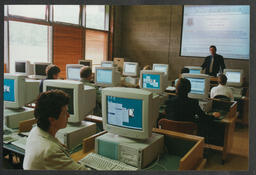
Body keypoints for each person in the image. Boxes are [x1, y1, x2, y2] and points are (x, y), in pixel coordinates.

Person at [23, 90, 87, 170]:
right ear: (52, 119)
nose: (68, 115)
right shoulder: (50, 151)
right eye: (65, 113)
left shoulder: (35, 131)